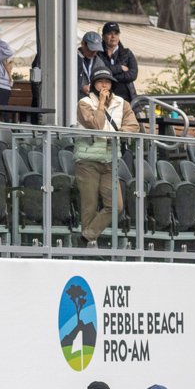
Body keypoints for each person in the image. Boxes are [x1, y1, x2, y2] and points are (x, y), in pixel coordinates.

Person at [73, 67, 139, 243]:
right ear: (94, 84)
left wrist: (118, 134)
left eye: (107, 81)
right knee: (90, 205)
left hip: (111, 161)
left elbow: (133, 126)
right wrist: (101, 103)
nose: (104, 85)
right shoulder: (85, 103)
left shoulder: (122, 103)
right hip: (88, 161)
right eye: (100, 81)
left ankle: (86, 237)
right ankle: (89, 245)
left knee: (115, 205)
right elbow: (95, 124)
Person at [98, 21, 138, 104]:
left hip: (127, 99)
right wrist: (120, 68)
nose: (113, 36)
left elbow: (133, 75)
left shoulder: (127, 53)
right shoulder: (98, 54)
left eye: (116, 33)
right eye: (109, 33)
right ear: (103, 36)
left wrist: (110, 77)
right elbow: (100, 73)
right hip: (104, 99)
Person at [76, 31, 105, 96]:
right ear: (82, 44)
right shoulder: (72, 60)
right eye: (91, 49)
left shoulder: (99, 61)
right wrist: (81, 87)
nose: (94, 53)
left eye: (96, 50)